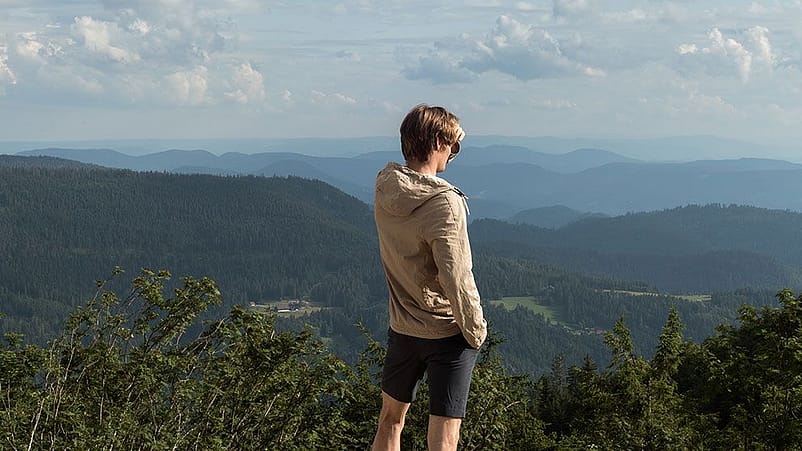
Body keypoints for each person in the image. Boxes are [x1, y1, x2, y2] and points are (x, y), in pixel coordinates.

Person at [371, 104, 487, 451]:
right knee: (444, 436)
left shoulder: (385, 188)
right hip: (446, 330)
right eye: (454, 143)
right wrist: (476, 330)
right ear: (438, 141)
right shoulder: (444, 203)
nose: (455, 152)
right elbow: (457, 276)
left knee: (390, 421)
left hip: (403, 325)